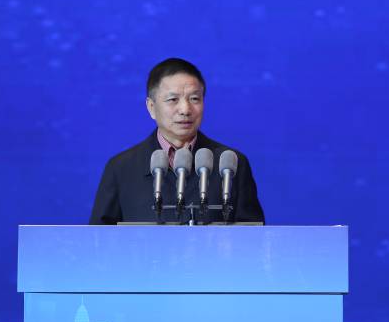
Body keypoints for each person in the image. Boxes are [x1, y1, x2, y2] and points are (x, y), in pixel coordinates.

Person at [89, 58, 264, 225]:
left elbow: (254, 235)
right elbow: (99, 237)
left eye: (194, 99)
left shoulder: (231, 164)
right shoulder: (121, 168)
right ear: (151, 107)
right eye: (173, 99)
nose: (185, 109)